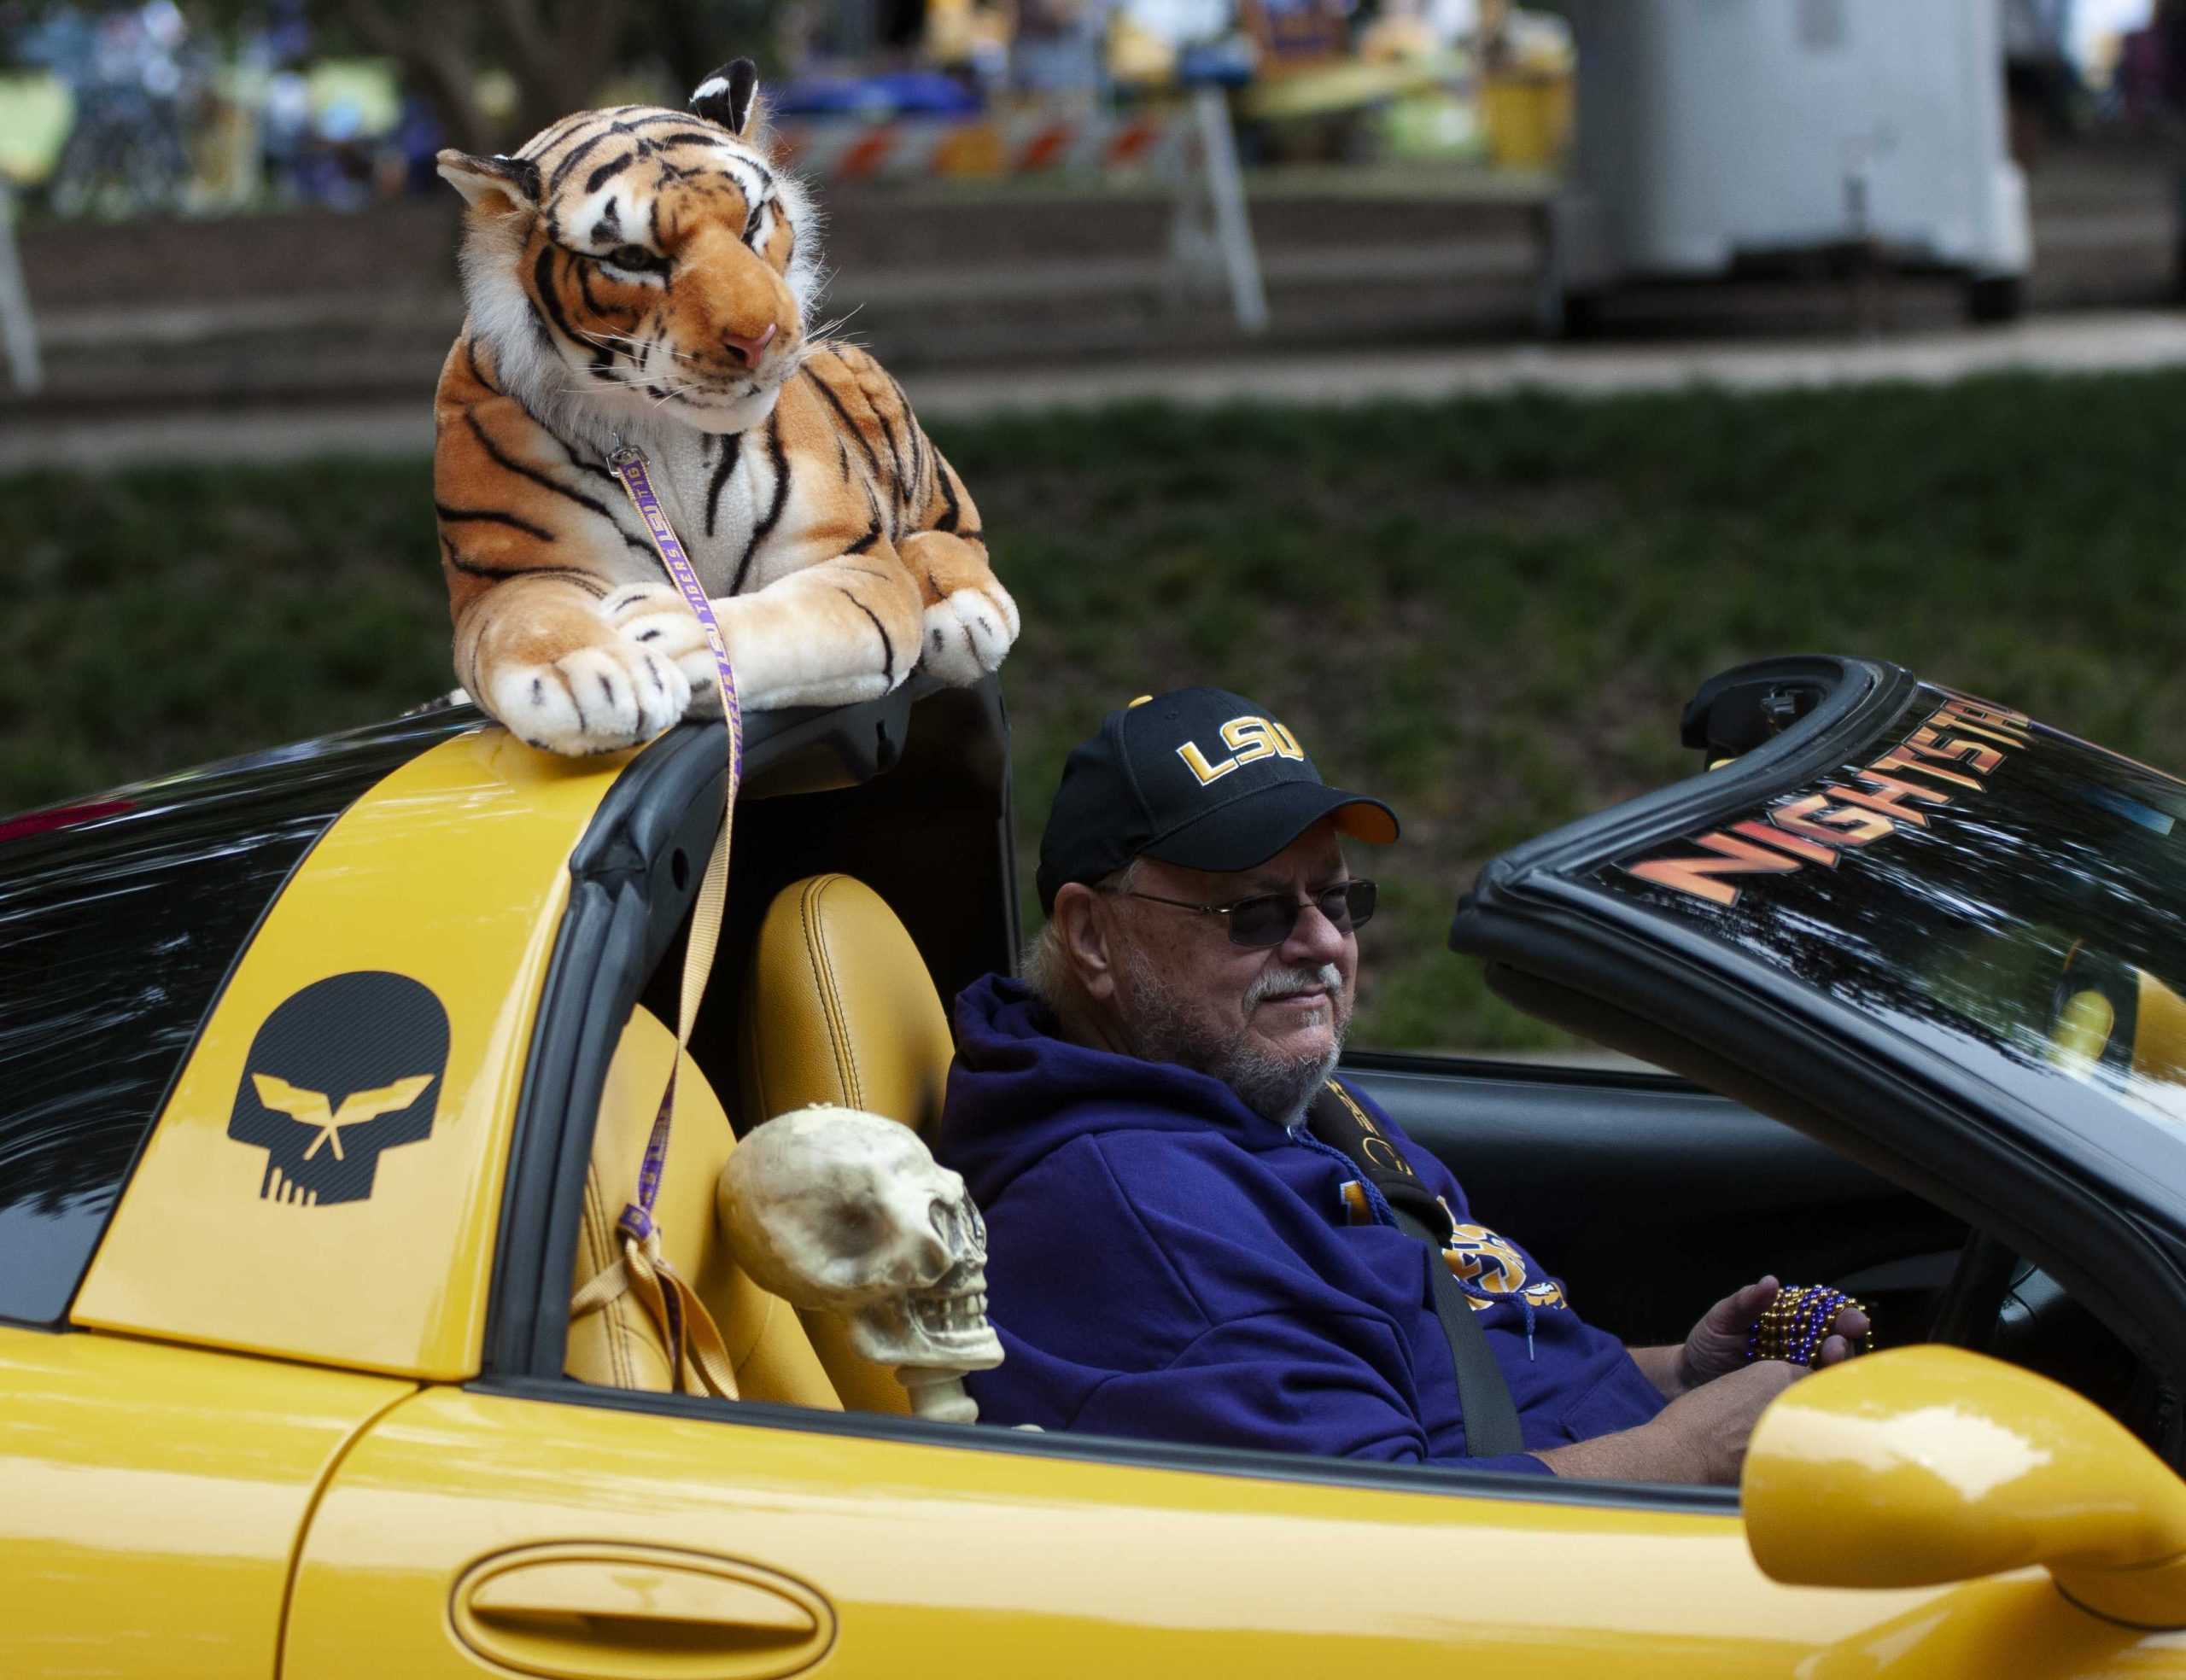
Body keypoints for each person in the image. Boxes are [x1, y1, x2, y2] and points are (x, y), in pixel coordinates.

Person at [934, 686, 1865, 1483]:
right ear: (1094, 938)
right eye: (1254, 912)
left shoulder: (1248, 1094)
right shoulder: (1143, 1219)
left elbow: (1444, 1364)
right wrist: (1685, 1456)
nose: (1323, 945)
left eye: (1335, 900)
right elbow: (1382, 1545)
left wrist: (1677, 1375)